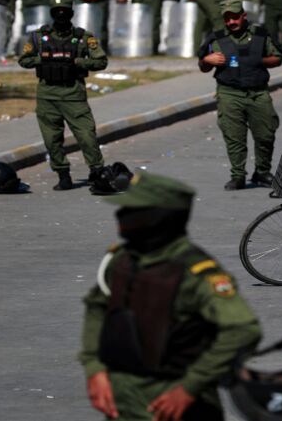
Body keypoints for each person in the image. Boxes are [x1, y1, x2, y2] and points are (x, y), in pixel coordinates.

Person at [79, 171, 262, 421]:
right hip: (124, 398)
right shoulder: (122, 260)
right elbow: (97, 307)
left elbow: (243, 330)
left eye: (132, 211)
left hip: (177, 403)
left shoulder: (195, 272)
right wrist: (94, 369)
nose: (122, 217)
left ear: (158, 218)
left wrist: (190, 387)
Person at [17, 0, 108, 191]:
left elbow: (101, 61)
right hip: (47, 95)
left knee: (86, 136)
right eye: (56, 12)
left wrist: (78, 62)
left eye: (65, 12)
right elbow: (24, 60)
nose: (60, 15)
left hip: (73, 94)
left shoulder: (84, 37)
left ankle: (96, 171)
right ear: (51, 14)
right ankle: (63, 174)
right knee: (52, 140)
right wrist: (43, 61)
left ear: (72, 14)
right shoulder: (38, 37)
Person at [197, 0, 282, 191]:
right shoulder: (217, 38)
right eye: (227, 19)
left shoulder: (260, 34)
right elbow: (202, 66)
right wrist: (207, 60)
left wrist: (257, 61)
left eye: (235, 17)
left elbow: (277, 58)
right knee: (234, 137)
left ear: (243, 16)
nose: (231, 22)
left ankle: (262, 172)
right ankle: (238, 176)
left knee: (265, 134)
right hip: (229, 93)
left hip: (258, 92)